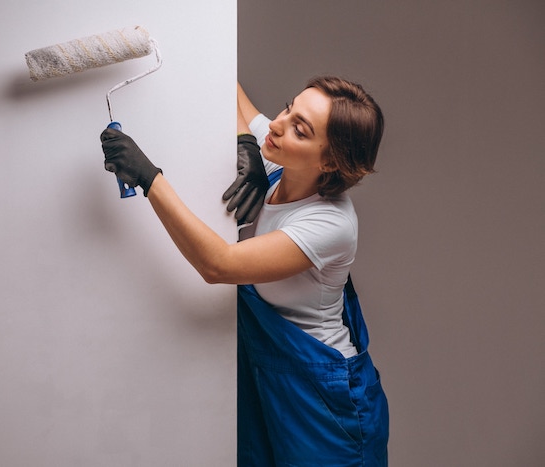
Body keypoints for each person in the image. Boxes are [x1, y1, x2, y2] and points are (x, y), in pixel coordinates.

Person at [100, 76, 389, 466]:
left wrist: (149, 177)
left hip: (324, 396)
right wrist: (245, 143)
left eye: (300, 129)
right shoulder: (276, 154)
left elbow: (218, 265)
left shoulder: (331, 223)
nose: (277, 124)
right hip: (271, 377)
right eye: (289, 108)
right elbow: (226, 84)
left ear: (330, 161)